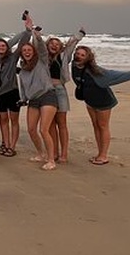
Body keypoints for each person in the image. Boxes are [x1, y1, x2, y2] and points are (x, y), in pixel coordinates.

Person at [72, 45, 130, 165]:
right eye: (77, 53)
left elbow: (115, 75)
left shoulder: (96, 71)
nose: (79, 56)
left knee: (103, 126)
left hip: (103, 101)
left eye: (82, 55)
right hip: (90, 101)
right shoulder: (74, 67)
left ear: (88, 58)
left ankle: (103, 156)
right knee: (96, 126)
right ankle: (100, 153)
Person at [17, 17, 60, 171]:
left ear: (33, 52)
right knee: (30, 129)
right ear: (22, 54)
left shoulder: (42, 60)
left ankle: (51, 160)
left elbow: (41, 47)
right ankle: (40, 153)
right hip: (33, 100)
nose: (27, 52)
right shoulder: (23, 70)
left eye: (29, 50)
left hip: (48, 96)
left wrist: (35, 33)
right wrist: (23, 99)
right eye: (24, 51)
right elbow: (23, 87)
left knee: (44, 130)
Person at [0, 19, 32, 158]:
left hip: (12, 92)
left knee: (14, 121)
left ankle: (12, 147)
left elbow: (22, 43)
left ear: (7, 47)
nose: (0, 47)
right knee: (3, 120)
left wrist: (28, 31)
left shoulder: (12, 58)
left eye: (3, 45)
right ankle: (5, 144)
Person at [45, 28, 85, 163]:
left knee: (61, 123)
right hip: (46, 91)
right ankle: (54, 152)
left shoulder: (64, 57)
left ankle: (64, 153)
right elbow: (36, 45)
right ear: (47, 45)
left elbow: (71, 45)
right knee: (50, 124)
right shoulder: (43, 58)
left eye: (57, 44)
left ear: (60, 47)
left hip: (60, 90)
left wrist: (79, 34)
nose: (54, 45)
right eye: (52, 43)